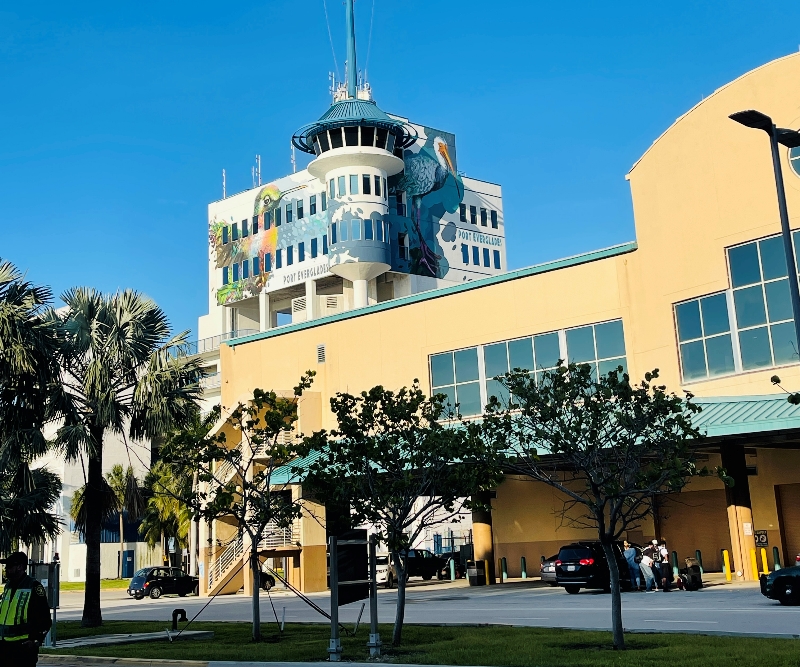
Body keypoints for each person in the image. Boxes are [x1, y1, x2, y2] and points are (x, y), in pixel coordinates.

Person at [0, 552, 52, 666]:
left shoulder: (33, 586)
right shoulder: (8, 586)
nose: (6, 569)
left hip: (22, 648)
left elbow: (44, 618)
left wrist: (36, 640)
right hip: (4, 646)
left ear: (20, 567)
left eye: (9, 566)